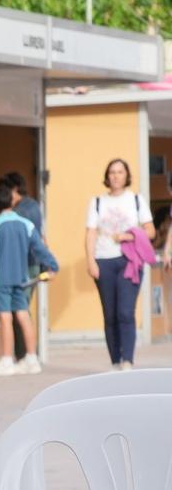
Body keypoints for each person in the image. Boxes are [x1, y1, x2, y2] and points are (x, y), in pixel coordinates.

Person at [0, 185, 57, 377]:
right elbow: (39, 248)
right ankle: (31, 359)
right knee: (24, 315)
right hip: (21, 277)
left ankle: (7, 360)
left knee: (5, 317)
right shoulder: (26, 224)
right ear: (13, 201)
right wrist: (52, 265)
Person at [85, 157, 149, 370]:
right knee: (110, 314)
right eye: (112, 172)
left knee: (125, 312)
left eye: (120, 172)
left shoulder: (136, 200)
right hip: (103, 260)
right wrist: (90, 261)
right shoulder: (97, 202)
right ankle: (115, 360)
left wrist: (126, 236)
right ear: (107, 176)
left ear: (126, 175)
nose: (116, 176)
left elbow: (150, 231)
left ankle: (128, 361)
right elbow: (91, 233)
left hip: (129, 260)